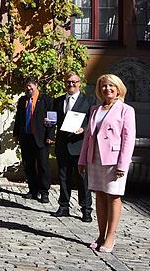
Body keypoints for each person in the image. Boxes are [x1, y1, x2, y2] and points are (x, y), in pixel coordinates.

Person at [79, 74, 136, 253]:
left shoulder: (126, 110)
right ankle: (100, 234)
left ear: (118, 88)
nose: (107, 89)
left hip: (114, 160)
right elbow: (88, 136)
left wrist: (122, 165)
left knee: (114, 196)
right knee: (100, 195)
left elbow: (128, 139)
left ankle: (110, 236)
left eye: (111, 86)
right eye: (103, 86)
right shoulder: (95, 109)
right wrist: (82, 160)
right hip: (95, 158)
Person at [52, 72, 94, 222]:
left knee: (83, 179)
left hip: (79, 145)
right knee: (63, 177)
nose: (71, 84)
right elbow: (54, 120)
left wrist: (84, 128)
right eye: (68, 82)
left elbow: (93, 121)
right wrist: (48, 124)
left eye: (74, 82)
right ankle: (63, 206)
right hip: (62, 144)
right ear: (65, 83)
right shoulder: (58, 101)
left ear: (79, 83)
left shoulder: (88, 101)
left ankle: (86, 209)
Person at [13, 78, 54, 203]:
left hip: (41, 137)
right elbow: (18, 119)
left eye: (30, 86)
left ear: (36, 86)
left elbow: (52, 119)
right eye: (26, 87)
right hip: (26, 137)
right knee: (28, 165)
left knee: (43, 165)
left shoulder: (46, 100)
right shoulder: (22, 100)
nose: (28, 89)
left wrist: (50, 136)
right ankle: (33, 190)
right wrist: (16, 134)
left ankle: (44, 191)